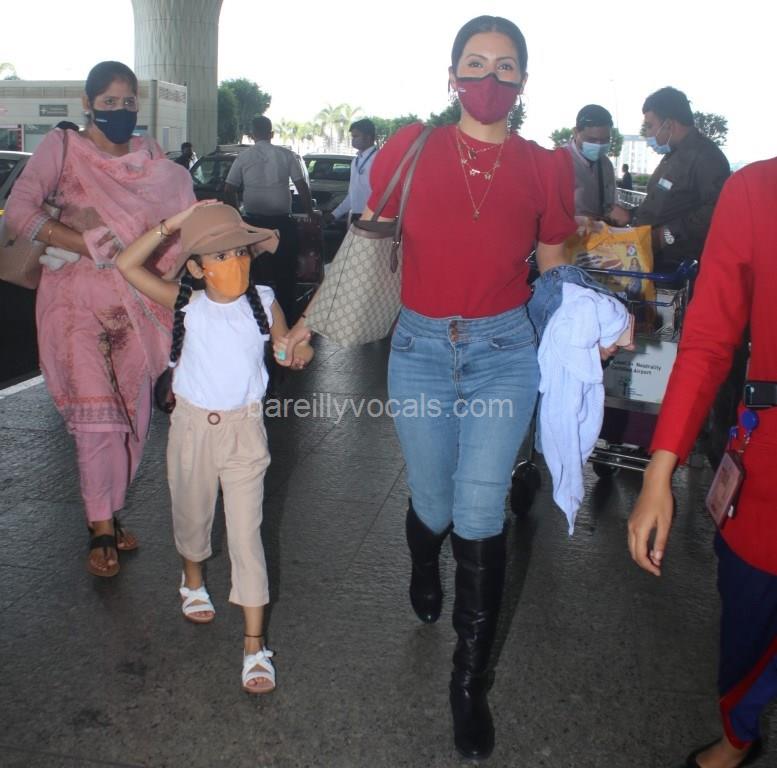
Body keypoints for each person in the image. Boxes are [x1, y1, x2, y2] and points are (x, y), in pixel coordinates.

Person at [281, 15, 579, 760]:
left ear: (523, 81)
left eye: (505, 66)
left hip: (504, 351)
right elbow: (362, 246)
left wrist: (592, 322)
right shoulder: (411, 146)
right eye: (475, 63)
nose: (489, 78)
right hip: (416, 349)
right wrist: (308, 324)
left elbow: (553, 268)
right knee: (435, 504)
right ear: (451, 76)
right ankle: (423, 557)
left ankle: (467, 684)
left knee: (479, 508)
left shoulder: (547, 167)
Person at [4, 61, 195, 578]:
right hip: (74, 301)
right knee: (98, 418)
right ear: (88, 105)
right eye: (108, 102)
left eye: (128, 101)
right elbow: (19, 211)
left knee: (132, 419)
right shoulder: (63, 148)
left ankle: (110, 509)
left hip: (139, 304)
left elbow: (176, 226)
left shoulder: (151, 158)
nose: (120, 110)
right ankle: (100, 527)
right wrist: (80, 241)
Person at [116, 201, 313, 693]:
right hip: (192, 429)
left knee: (247, 535)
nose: (235, 264)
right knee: (192, 514)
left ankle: (254, 646)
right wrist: (174, 223)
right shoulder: (185, 302)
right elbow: (126, 264)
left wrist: (296, 350)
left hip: (245, 431)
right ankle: (192, 579)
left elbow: (287, 343)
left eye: (241, 253)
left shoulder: (264, 300)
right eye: (220, 257)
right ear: (198, 268)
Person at [627, 158, 777, 768]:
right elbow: (710, 340)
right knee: (747, 618)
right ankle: (738, 734)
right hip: (768, 466)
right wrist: (659, 471)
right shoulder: (756, 191)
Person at [610, 87, 730, 271]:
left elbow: (716, 209)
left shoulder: (706, 156)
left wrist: (666, 234)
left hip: (678, 264)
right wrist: (631, 215)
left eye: (650, 126)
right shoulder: (673, 155)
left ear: (668, 124)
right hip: (653, 257)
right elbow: (665, 204)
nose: (648, 134)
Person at [224, 115, 316, 323]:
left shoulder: (243, 157)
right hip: (282, 225)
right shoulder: (286, 155)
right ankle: (286, 319)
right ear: (271, 134)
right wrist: (310, 212)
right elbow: (301, 186)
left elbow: (229, 188)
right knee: (286, 273)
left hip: (252, 225)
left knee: (251, 271)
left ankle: (254, 316)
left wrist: (237, 216)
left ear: (252, 135)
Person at [564, 104, 616, 220]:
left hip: (602, 229)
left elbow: (611, 204)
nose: (599, 145)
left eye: (605, 140)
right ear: (576, 132)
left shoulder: (606, 164)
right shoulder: (560, 161)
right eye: (592, 140)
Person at [326, 118, 378, 224]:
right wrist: (334, 215)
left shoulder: (379, 159)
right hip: (355, 216)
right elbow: (352, 195)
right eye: (352, 137)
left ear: (368, 137)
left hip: (373, 217)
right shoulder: (355, 161)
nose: (352, 140)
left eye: (356, 136)